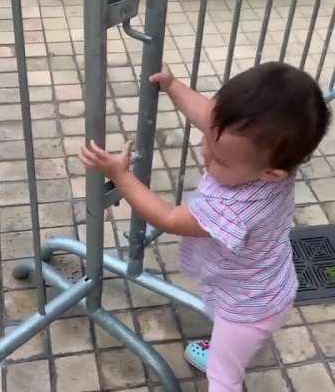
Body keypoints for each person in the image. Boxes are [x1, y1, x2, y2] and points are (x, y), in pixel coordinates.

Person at [79, 62, 331, 392]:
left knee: (224, 378)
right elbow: (209, 116)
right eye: (207, 142)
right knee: (221, 318)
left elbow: (169, 219)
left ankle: (224, 360)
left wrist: (122, 176)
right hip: (259, 285)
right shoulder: (270, 157)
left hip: (248, 309)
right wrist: (173, 86)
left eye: (220, 160)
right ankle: (225, 347)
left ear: (271, 174)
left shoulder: (235, 207)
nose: (205, 157)